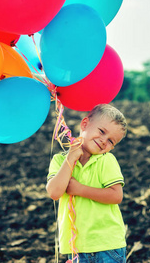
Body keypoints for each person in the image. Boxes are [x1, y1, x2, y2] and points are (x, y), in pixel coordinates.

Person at [46, 104, 128, 263]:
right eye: (102, 131)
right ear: (84, 124)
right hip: (76, 248)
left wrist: (79, 189)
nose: (104, 141)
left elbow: (116, 195)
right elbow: (54, 193)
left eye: (111, 141)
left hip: (107, 246)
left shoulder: (106, 161)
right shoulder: (59, 160)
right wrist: (70, 158)